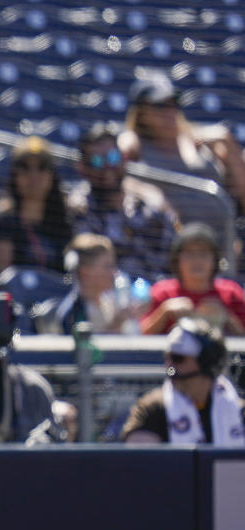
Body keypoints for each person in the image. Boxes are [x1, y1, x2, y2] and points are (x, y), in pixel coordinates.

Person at [120, 72, 245, 265]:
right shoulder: (136, 144)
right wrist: (148, 192)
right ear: (142, 113)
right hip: (178, 253)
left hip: (224, 250)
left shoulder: (202, 141)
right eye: (159, 105)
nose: (169, 111)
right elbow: (116, 171)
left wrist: (225, 139)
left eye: (173, 103)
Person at [68, 122, 179, 283]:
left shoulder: (148, 200)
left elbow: (175, 247)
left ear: (124, 158)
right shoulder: (80, 208)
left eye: (113, 158)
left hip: (161, 290)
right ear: (82, 168)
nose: (107, 167)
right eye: (97, 162)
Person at [121, 317, 244, 446]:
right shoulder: (153, 410)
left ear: (206, 363)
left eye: (178, 359)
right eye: (167, 357)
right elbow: (139, 460)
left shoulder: (238, 412)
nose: (169, 366)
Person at [0, 136, 72, 275]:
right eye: (24, 167)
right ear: (14, 175)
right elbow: (3, 278)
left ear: (52, 175)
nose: (33, 175)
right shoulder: (3, 223)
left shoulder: (63, 224)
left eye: (42, 167)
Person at [141, 223, 245, 336]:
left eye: (203, 254)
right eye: (189, 254)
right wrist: (164, 312)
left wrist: (226, 318)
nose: (196, 260)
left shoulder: (231, 293)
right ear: (177, 260)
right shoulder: (162, 292)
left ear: (215, 260)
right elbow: (138, 336)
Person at [39, 233, 138, 335]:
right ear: (85, 272)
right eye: (107, 266)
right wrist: (116, 325)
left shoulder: (112, 302)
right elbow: (83, 348)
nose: (114, 272)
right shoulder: (74, 313)